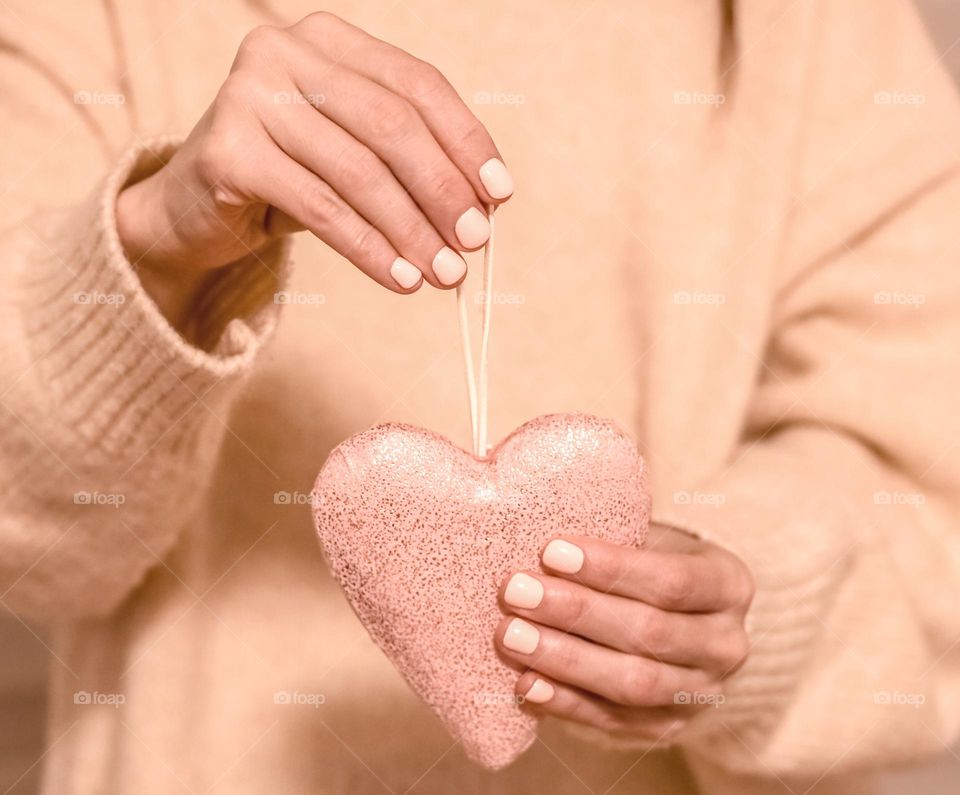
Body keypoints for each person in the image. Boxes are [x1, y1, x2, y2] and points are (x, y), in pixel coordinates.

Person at [1, 1, 959, 793]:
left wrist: (746, 609)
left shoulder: (818, 25)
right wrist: (155, 247)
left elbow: (930, 494)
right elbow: (26, 543)